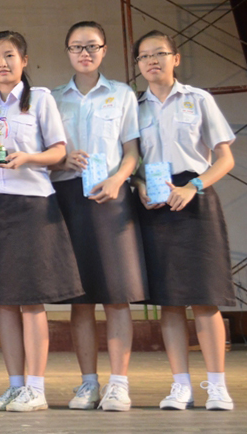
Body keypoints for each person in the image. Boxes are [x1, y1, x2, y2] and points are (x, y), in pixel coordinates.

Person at [0, 30, 84, 413]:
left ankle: (37, 387)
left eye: (9, 55)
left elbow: (59, 151)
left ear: (24, 60)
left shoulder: (41, 99)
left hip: (34, 205)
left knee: (31, 300)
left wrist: (27, 158)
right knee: (4, 301)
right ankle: (15, 385)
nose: (2, 63)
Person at [131, 30, 236, 411]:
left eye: (159, 53)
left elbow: (225, 159)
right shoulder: (134, 106)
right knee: (169, 301)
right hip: (156, 202)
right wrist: (139, 185)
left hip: (196, 197)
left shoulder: (198, 99)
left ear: (175, 58)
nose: (152, 61)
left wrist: (194, 186)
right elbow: (132, 161)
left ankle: (217, 386)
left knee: (205, 298)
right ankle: (181, 386)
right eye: (144, 56)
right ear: (138, 64)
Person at [48, 21, 147, 412]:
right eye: (77, 47)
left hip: (113, 197)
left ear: (104, 50)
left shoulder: (122, 94)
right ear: (67, 52)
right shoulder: (53, 99)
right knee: (81, 298)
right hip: (68, 197)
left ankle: (119, 384)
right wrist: (63, 160)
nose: (84, 53)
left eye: (92, 46)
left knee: (117, 295)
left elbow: (132, 151)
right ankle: (88, 383)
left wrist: (119, 180)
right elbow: (47, 153)